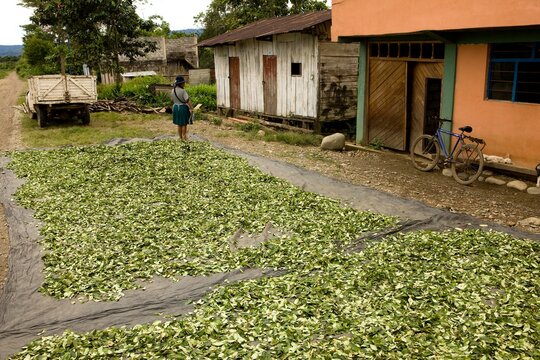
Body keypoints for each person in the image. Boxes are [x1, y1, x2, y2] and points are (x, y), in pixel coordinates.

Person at [170, 76, 193, 140]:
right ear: (181, 83)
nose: (184, 84)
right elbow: (187, 100)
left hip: (175, 107)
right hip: (182, 108)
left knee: (179, 124)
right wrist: (191, 108)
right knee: (184, 123)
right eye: (183, 83)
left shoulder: (173, 90)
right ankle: (184, 136)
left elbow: (172, 99)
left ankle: (180, 137)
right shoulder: (183, 91)